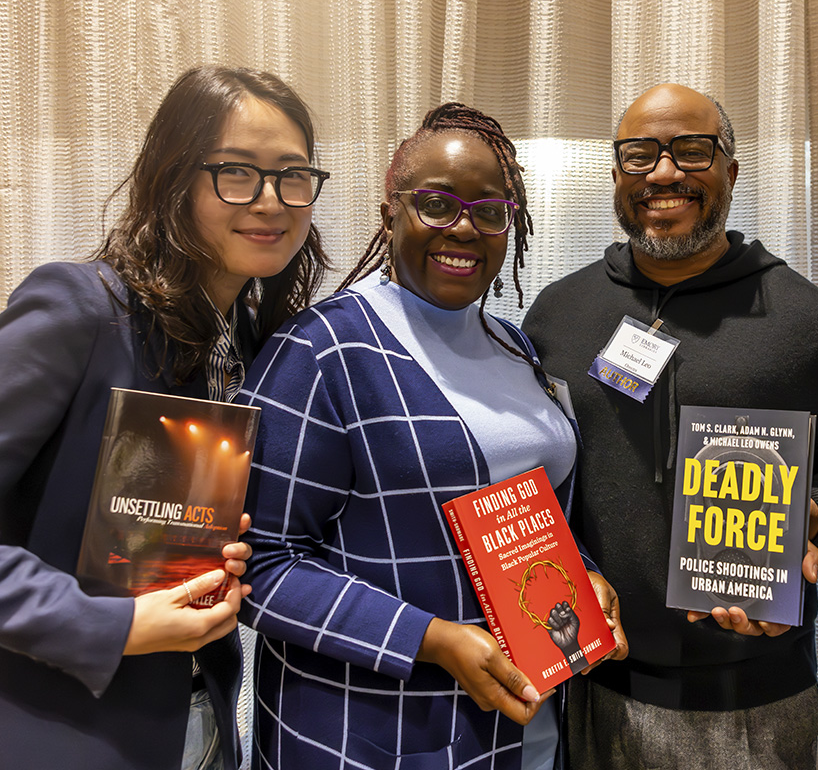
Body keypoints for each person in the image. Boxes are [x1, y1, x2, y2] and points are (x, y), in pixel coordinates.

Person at [236, 102, 628, 770]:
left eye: (489, 211)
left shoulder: (517, 348)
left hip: (524, 733)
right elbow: (259, 563)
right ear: (389, 212)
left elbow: (530, 514)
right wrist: (430, 638)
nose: (464, 228)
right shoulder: (324, 350)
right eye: (436, 204)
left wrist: (584, 576)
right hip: (375, 734)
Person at [522, 83, 818, 770]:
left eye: (691, 150)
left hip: (752, 705)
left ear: (732, 171)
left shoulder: (812, 322)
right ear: (617, 175)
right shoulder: (556, 315)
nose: (664, 172)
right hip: (588, 684)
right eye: (639, 154)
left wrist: (805, 515)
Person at [0, 65, 330, 769]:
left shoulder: (252, 345)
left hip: (204, 724)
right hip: (59, 732)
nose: (271, 201)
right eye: (237, 172)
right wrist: (110, 624)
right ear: (173, 177)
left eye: (293, 175)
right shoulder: (81, 310)